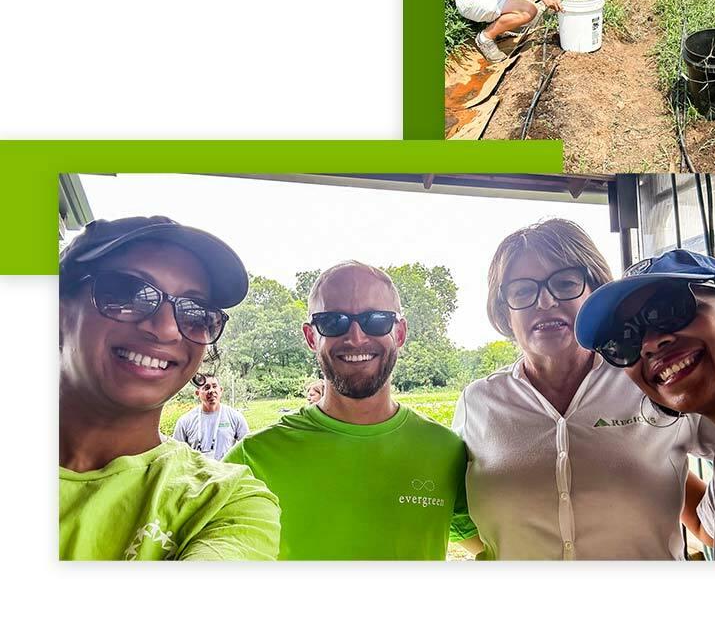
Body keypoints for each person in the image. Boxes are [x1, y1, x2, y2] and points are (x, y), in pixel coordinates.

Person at [451, 220, 715, 560]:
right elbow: (452, 509)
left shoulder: (652, 378)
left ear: (596, 292)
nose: (545, 301)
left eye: (564, 283)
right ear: (504, 311)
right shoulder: (478, 403)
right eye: (522, 291)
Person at [59, 216, 280, 560]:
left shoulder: (224, 503)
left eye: (196, 312)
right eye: (128, 293)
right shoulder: (187, 426)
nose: (166, 329)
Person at [224, 261, 469, 559]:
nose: (355, 337)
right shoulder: (252, 460)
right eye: (333, 321)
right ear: (311, 337)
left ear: (400, 332)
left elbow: (502, 543)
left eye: (376, 320)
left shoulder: (446, 451)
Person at [574, 249, 715, 560]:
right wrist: (641, 466)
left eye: (671, 309)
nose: (650, 343)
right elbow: (709, 528)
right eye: (624, 340)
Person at [171, 374, 249, 461]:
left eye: (214, 386)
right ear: (197, 393)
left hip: (226, 472)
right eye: (206, 388)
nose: (211, 391)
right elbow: (176, 453)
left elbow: (248, 447)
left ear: (221, 390)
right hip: (196, 473)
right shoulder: (185, 421)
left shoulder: (235, 417)